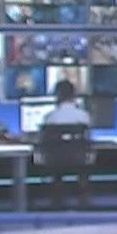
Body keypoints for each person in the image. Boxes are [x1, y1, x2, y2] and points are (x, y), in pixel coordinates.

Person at [37, 80, 92, 209]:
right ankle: (84, 199)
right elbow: (88, 141)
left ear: (57, 96)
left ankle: (55, 199)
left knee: (55, 165)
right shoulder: (84, 116)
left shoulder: (50, 117)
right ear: (74, 95)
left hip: (55, 163)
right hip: (79, 161)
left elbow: (44, 143)